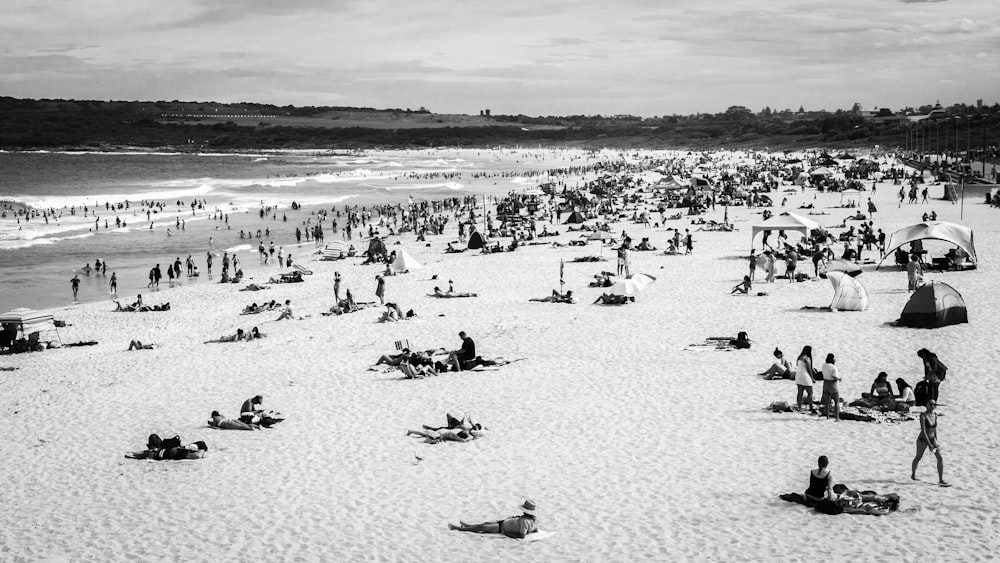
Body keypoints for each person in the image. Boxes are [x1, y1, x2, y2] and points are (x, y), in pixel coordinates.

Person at [449, 499, 539, 539]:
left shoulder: (525, 521)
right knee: (485, 523)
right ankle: (468, 525)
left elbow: (521, 535)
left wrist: (506, 533)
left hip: (502, 528)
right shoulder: (534, 520)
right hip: (504, 523)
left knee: (482, 528)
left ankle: (460, 528)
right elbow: (535, 530)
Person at [911, 399, 948, 486]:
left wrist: (936, 440)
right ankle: (913, 474)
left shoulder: (935, 415)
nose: (932, 406)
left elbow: (935, 429)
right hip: (923, 439)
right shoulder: (923, 416)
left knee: (940, 457)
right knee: (918, 457)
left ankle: (941, 479)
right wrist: (930, 445)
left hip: (932, 438)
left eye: (934, 404)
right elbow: (923, 431)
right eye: (930, 404)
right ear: (926, 405)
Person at [126, 434, 208, 460]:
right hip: (174, 451)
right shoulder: (154, 452)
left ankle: (199, 451)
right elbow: (139, 454)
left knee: (199, 447)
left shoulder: (152, 452)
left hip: (175, 450)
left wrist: (133, 454)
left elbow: (139, 454)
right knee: (199, 449)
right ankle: (200, 451)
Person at [820, 353, 842, 421]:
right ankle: (837, 417)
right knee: (836, 402)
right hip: (832, 384)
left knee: (827, 402)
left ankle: (827, 416)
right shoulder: (833, 367)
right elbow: (834, 377)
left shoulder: (824, 365)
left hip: (825, 383)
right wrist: (839, 379)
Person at [794, 346, 816, 413]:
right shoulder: (807, 358)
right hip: (805, 376)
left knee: (800, 393)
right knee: (810, 393)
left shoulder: (799, 357)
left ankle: (799, 407)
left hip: (798, 375)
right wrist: (812, 378)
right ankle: (811, 407)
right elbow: (809, 369)